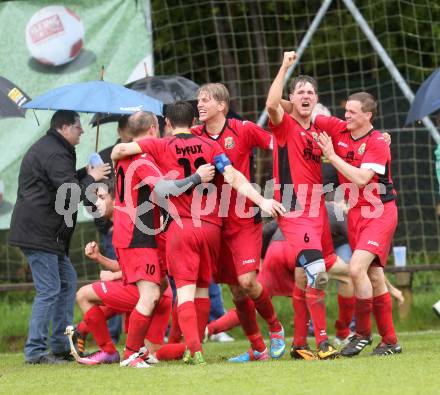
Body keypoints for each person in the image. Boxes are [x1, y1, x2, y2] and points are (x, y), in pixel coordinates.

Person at [111, 102, 284, 365]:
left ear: (167, 123)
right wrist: (262, 201)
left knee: (184, 292)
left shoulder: (158, 145)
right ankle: (200, 346)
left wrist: (116, 153)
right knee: (203, 289)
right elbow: (232, 175)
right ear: (195, 121)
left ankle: (193, 352)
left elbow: (124, 149)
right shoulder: (212, 146)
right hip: (213, 228)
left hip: (180, 227)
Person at [193, 83, 286, 363]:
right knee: (235, 290)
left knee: (247, 281)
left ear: (221, 105)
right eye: (198, 100)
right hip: (213, 223)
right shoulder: (195, 135)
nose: (199, 105)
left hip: (244, 218)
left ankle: (275, 327)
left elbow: (280, 143)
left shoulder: (242, 129)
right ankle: (258, 348)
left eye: (205, 100)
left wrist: (274, 192)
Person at [9, 110, 110, 364]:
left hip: (48, 234)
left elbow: (59, 182)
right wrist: (91, 178)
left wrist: (83, 174)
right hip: (39, 233)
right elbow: (69, 195)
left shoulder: (55, 149)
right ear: (65, 128)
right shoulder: (54, 152)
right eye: (78, 127)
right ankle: (35, 352)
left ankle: (61, 347)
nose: (82, 132)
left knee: (66, 282)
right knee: (50, 289)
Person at [315, 91, 402, 356]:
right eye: (345, 111)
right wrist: (294, 96)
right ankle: (390, 340)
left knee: (356, 269)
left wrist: (331, 155)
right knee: (373, 276)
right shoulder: (339, 128)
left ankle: (362, 334)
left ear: (368, 115)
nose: (346, 116)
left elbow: (363, 179)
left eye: (352, 112)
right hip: (355, 213)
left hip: (379, 213)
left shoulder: (377, 142)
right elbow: (303, 115)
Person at [266, 51, 339, 359]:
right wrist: (284, 66)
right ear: (292, 99)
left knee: (306, 276)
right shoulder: (284, 124)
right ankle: (322, 342)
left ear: (316, 98)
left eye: (310, 92)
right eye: (300, 92)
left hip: (317, 210)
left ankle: (299, 345)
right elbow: (272, 103)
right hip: (294, 208)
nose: (306, 96)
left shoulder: (317, 133)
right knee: (318, 273)